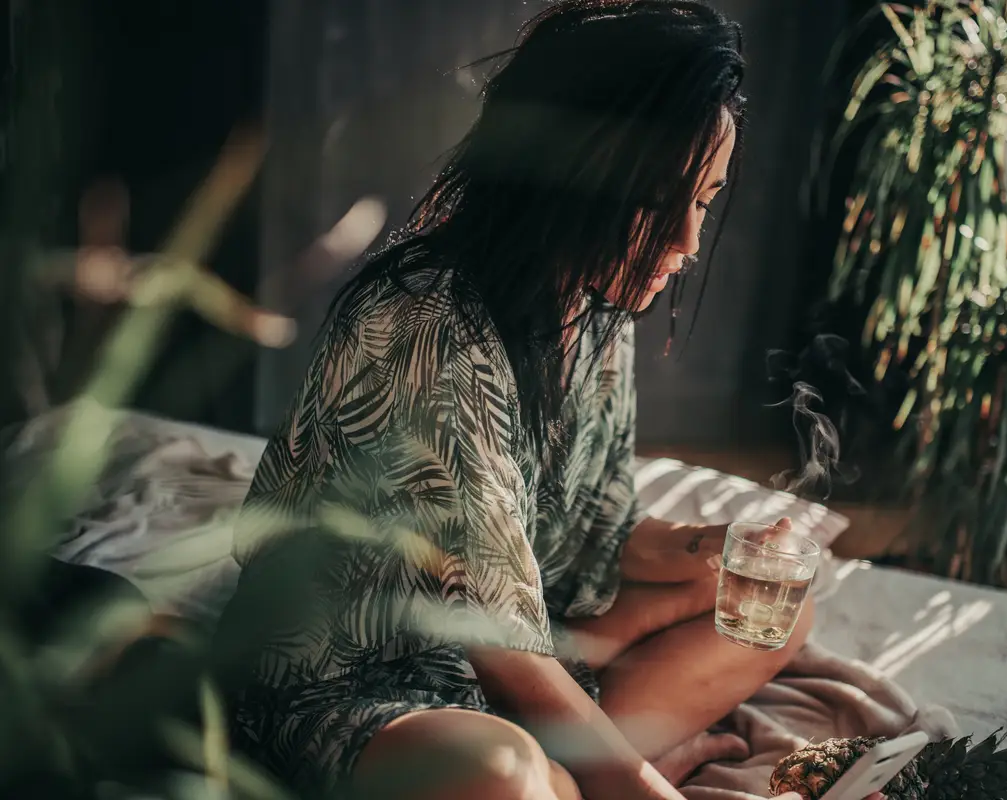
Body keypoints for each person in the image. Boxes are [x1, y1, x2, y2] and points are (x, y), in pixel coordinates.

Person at [218, 2, 841, 798]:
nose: (686, 244)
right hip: (347, 685)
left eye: (704, 202)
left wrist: (720, 546)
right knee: (501, 773)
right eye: (658, 202)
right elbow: (503, 652)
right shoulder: (426, 329)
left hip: (508, 652)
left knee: (775, 608)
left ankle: (582, 768)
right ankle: (586, 768)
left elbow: (596, 529)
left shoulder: (596, 305)